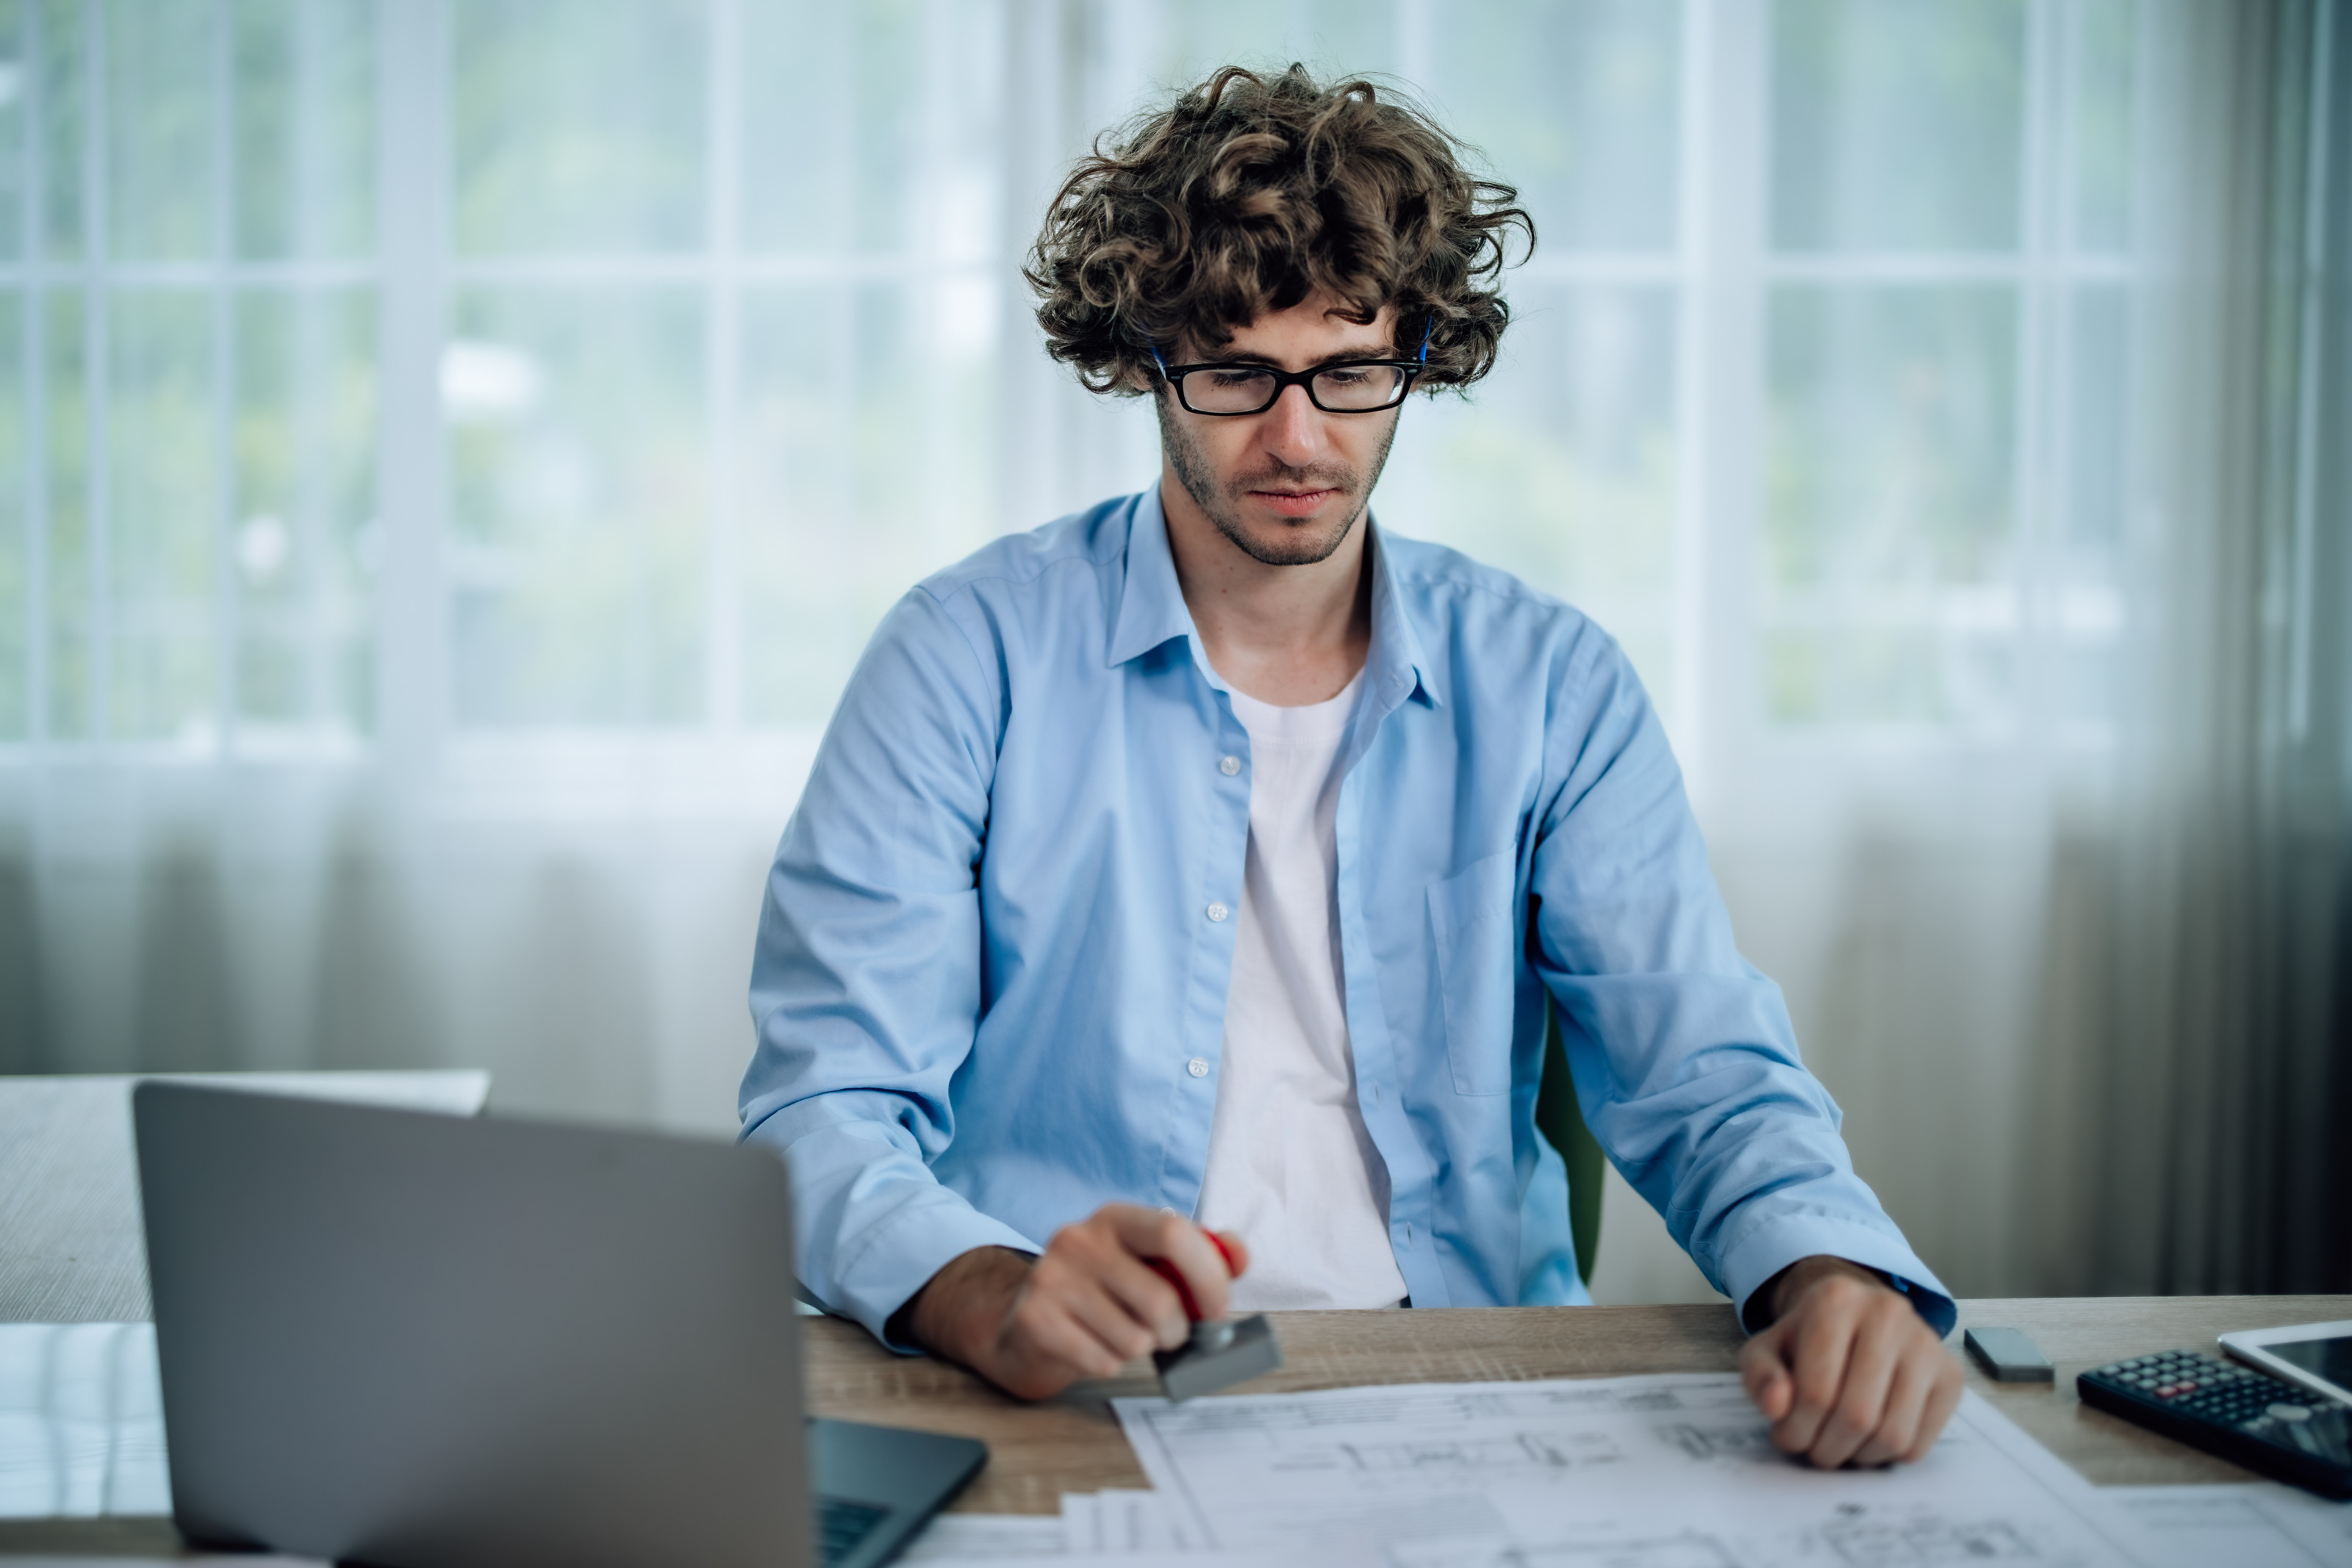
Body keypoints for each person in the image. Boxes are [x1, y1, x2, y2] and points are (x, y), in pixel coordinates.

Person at [742, 64, 1964, 1470]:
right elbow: (821, 1108)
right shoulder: (963, 656)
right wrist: (988, 1293)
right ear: (1145, 360)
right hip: (1063, 1393)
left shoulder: (1551, 682)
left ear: (1420, 353)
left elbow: (1701, 1068)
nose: (1300, 438)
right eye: (1236, 373)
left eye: (1350, 370)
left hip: (1470, 1389)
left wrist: (1830, 1271)